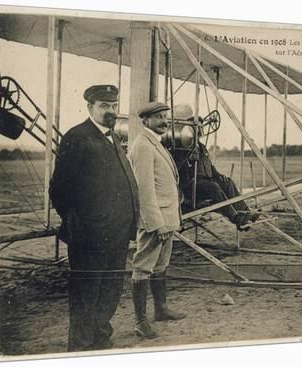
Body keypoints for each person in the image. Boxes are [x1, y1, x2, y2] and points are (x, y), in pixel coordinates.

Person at [49, 85, 140, 351]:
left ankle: (100, 337)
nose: (110, 111)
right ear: (90, 107)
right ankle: (81, 347)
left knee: (109, 291)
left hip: (117, 233)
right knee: (86, 292)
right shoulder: (77, 138)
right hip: (90, 236)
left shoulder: (112, 138)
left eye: (113, 106)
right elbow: (59, 189)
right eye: (104, 106)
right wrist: (81, 222)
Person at [128, 101, 187, 339]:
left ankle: (160, 310)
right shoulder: (142, 145)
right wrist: (156, 223)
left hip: (167, 217)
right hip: (156, 220)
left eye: (165, 116)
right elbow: (144, 189)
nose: (164, 121)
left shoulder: (155, 143)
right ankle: (140, 321)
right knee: (143, 267)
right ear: (146, 121)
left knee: (160, 266)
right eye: (159, 117)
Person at [171, 104, 260, 230]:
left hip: (204, 184)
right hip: (190, 187)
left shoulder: (201, 146)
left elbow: (209, 166)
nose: (200, 129)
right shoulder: (180, 147)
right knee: (213, 186)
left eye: (201, 127)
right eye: (197, 127)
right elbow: (176, 169)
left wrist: (218, 175)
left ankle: (245, 212)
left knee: (227, 182)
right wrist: (188, 157)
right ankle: (235, 217)